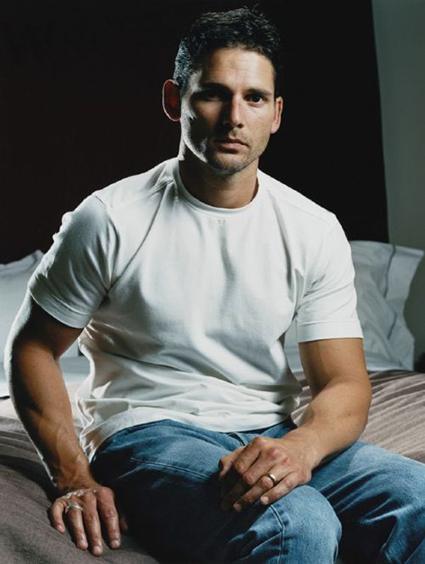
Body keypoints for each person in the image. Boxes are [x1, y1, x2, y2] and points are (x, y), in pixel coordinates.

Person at [5, 7, 425, 563]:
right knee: (296, 523)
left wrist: (301, 446)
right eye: (213, 94)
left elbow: (344, 382)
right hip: (148, 432)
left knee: (419, 498)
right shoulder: (109, 218)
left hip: (271, 430)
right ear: (174, 100)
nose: (234, 117)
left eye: (254, 98)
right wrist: (73, 475)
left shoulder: (312, 228)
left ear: (276, 114)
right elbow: (33, 347)